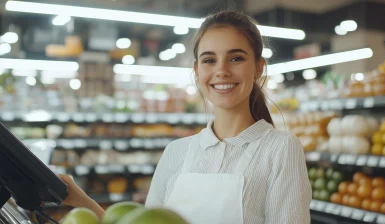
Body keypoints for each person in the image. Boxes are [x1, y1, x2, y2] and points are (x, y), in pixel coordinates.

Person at [60, 10, 312, 224]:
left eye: (236, 58)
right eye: (209, 60)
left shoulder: (280, 148)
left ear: (258, 67)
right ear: (197, 70)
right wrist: (78, 199)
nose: (221, 71)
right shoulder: (176, 152)